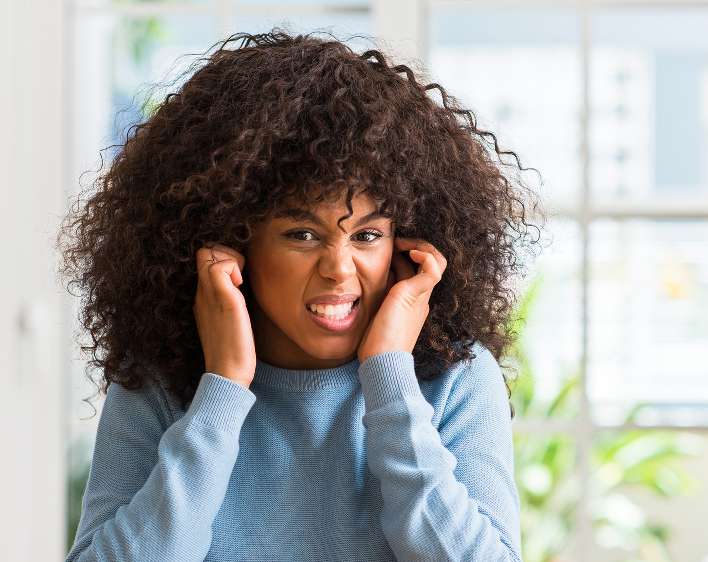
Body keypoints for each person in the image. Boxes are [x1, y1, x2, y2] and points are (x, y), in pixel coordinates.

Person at [57, 28, 544, 561]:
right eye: (303, 234)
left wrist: (389, 378)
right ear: (233, 245)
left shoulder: (454, 378)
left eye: (367, 235)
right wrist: (221, 392)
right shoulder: (160, 384)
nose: (339, 269)